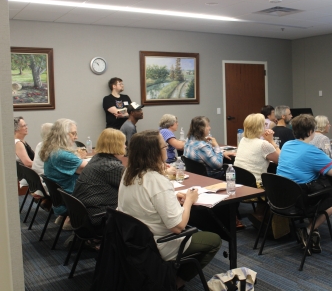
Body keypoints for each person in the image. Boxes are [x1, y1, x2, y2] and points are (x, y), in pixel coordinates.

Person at [117, 130, 221, 289]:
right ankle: (175, 283)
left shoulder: (129, 174)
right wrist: (189, 201)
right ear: (155, 152)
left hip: (132, 241)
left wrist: (171, 196)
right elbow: (178, 227)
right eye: (164, 146)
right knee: (214, 240)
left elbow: (147, 198)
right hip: (157, 244)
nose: (166, 148)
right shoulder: (157, 180)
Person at [276, 114, 332, 253]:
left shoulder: (287, 145)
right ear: (311, 132)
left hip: (279, 198)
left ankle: (312, 231)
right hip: (299, 201)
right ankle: (309, 230)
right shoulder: (312, 151)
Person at [73, 129, 126, 236]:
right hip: (99, 217)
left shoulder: (96, 158)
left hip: (85, 213)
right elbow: (135, 186)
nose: (125, 146)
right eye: (123, 143)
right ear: (116, 145)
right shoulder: (111, 166)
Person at [40, 118, 88, 226]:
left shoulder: (53, 149)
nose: (76, 137)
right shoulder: (61, 154)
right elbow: (89, 168)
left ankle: (68, 219)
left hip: (62, 198)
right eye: (73, 133)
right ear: (62, 134)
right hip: (71, 200)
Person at [235, 113, 280, 182]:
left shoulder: (243, 139)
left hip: (240, 181)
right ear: (259, 127)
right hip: (257, 184)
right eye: (264, 124)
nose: (266, 126)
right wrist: (271, 141)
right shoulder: (263, 144)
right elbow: (281, 161)